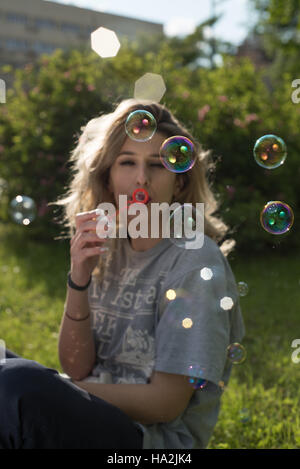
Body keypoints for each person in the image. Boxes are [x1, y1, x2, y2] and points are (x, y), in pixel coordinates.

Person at [0, 99, 245, 449]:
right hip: (93, 412)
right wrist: (79, 278)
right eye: (127, 162)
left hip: (151, 443)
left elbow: (165, 403)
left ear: (178, 184)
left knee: (18, 385)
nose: (141, 177)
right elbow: (76, 365)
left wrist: (61, 388)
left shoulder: (195, 261)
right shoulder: (110, 245)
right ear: (108, 178)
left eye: (157, 165)